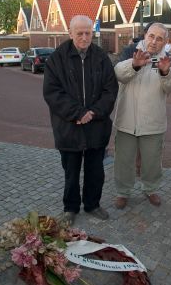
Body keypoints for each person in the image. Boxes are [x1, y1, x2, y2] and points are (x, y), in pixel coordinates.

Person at [42, 15, 118, 225]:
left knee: (96, 171)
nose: (85, 38)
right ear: (70, 33)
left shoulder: (102, 57)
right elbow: (52, 92)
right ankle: (70, 208)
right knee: (71, 172)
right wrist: (77, 113)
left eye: (88, 33)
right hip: (69, 127)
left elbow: (110, 90)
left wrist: (92, 113)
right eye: (80, 33)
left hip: (96, 126)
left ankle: (92, 204)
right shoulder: (57, 58)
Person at [113, 22, 171, 209]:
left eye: (160, 39)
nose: (154, 42)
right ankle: (123, 192)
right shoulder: (129, 52)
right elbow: (119, 74)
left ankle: (150, 189)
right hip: (127, 119)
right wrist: (134, 65)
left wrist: (165, 73)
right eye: (151, 36)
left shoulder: (168, 60)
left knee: (152, 160)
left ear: (165, 42)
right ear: (145, 35)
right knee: (124, 160)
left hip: (153, 121)